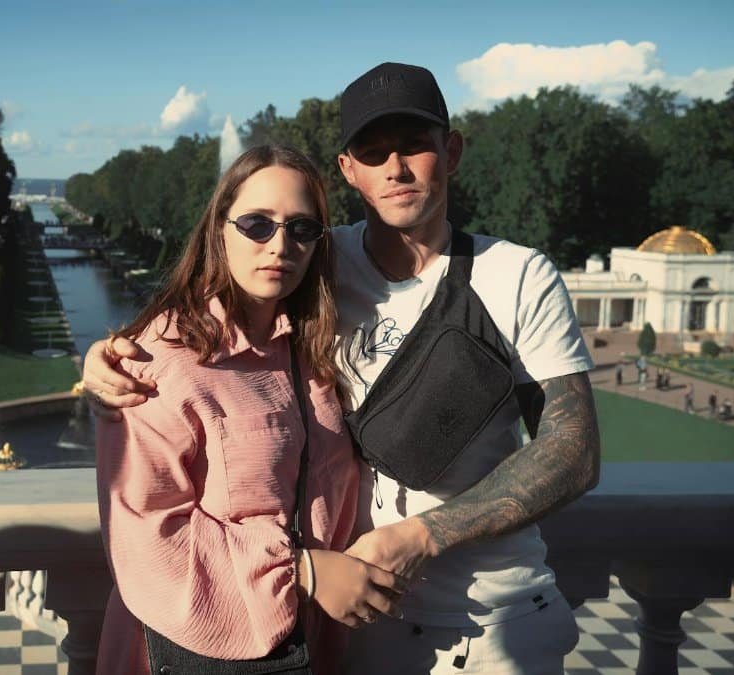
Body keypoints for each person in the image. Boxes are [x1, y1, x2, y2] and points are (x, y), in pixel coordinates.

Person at [83, 63, 599, 674]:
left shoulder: (515, 276)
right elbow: (208, 326)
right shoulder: (320, 264)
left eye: (415, 147)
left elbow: (573, 449)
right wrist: (107, 356)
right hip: (354, 631)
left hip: (493, 620)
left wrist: (421, 536)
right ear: (348, 170)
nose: (396, 169)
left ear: (451, 151)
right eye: (373, 152)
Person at [94, 145, 398, 674]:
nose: (280, 245)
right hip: (192, 650)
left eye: (302, 229)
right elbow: (145, 536)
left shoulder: (311, 348)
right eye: (257, 224)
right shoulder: (159, 359)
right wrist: (303, 570)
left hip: (306, 645)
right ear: (219, 229)